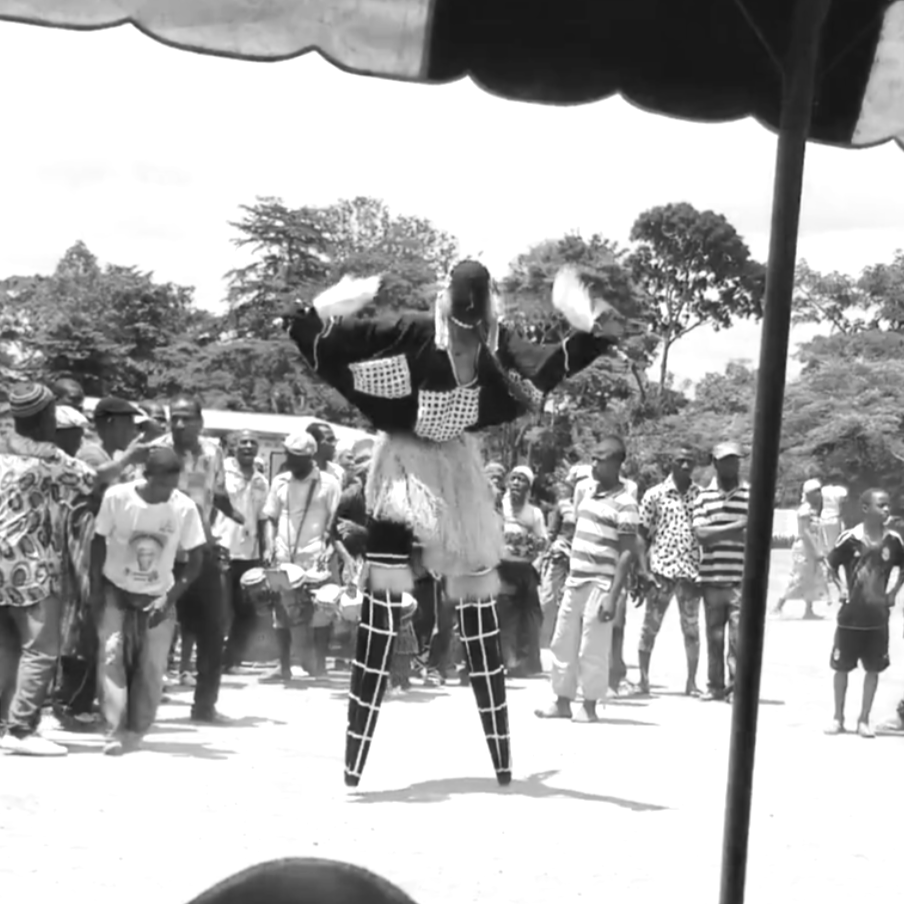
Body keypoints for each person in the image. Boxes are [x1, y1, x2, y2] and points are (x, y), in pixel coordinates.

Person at [284, 259, 629, 786]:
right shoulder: (411, 332)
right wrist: (308, 320)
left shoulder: (497, 349)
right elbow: (339, 345)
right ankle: (356, 762)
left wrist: (592, 338)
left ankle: (501, 762)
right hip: (400, 477)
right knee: (381, 612)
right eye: (464, 305)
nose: (468, 315)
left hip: (458, 483)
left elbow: (544, 367)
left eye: (475, 306)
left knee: (477, 615)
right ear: (450, 300)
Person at [91, 447, 207, 754]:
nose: (166, 493)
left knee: (153, 666)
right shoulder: (117, 498)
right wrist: (95, 588)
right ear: (146, 476)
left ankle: (138, 728)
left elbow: (196, 558)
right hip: (116, 588)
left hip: (159, 594)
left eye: (172, 486)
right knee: (111, 657)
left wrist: (169, 598)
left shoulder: (184, 507)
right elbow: (98, 542)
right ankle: (114, 729)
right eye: (160, 485)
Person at [0, 383, 95, 756]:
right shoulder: (48, 457)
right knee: (41, 648)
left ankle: (5, 723)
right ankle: (22, 729)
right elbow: (89, 480)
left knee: (6, 645)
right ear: (42, 419)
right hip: (29, 564)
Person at [152, 395, 245, 723]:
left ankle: (204, 706)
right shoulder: (155, 452)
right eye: (174, 418)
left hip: (199, 553)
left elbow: (216, 495)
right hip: (159, 556)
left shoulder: (213, 452)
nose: (179, 424)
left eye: (186, 418)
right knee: (150, 628)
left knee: (212, 629)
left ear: (200, 421)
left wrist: (239, 518)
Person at [535, 436, 638, 722]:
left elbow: (628, 553)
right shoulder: (588, 493)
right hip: (576, 579)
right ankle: (562, 700)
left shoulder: (626, 503)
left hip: (601, 583)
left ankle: (590, 704)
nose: (593, 463)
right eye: (592, 458)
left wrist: (613, 596)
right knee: (562, 641)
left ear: (616, 463)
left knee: (592, 647)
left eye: (600, 458)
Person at [262, 432, 341, 682]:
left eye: (295, 456)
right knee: (282, 613)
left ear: (310, 457)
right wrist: (268, 546)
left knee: (321, 611)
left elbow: (336, 525)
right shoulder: (280, 481)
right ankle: (283, 666)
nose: (289, 460)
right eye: (288, 454)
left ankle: (319, 666)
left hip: (315, 557)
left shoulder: (329, 484)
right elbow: (270, 517)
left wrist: (328, 554)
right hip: (283, 556)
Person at [824, 489, 904, 738]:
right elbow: (831, 565)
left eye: (888, 505)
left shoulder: (893, 541)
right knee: (842, 668)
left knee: (873, 670)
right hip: (850, 618)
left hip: (878, 619)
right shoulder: (850, 538)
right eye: (881, 505)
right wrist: (841, 589)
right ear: (866, 508)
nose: (886, 510)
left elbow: (903, 568)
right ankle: (838, 717)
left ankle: (864, 719)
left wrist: (893, 593)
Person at [635, 447, 703, 696]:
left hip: (690, 573)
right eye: (680, 461)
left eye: (690, 461)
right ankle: (643, 679)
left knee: (692, 630)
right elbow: (641, 535)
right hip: (661, 571)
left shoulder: (701, 496)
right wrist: (643, 571)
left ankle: (692, 682)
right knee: (649, 627)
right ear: (671, 464)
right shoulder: (655, 495)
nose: (686, 466)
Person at [692, 442, 750, 703]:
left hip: (741, 578)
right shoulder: (703, 497)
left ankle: (735, 687)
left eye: (735, 460)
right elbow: (701, 535)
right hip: (712, 578)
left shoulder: (751, 495)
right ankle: (714, 685)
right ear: (714, 463)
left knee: (739, 639)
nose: (732, 465)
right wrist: (738, 525)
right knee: (714, 636)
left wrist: (719, 530)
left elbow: (755, 535)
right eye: (726, 460)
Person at [215, 430, 270, 672]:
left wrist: (266, 548)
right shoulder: (221, 473)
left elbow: (263, 518)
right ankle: (211, 659)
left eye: (253, 443)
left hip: (250, 555)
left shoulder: (261, 481)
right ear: (232, 446)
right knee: (218, 609)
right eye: (243, 442)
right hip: (221, 549)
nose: (248, 446)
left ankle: (231, 659)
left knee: (246, 611)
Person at [498, 465, 547, 676]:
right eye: (514, 478)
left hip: (524, 570)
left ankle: (525, 664)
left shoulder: (534, 513)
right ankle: (502, 661)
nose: (516, 483)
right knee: (504, 617)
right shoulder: (498, 507)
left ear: (529, 487)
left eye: (522, 480)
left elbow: (543, 542)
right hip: (500, 569)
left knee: (528, 618)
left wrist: (524, 544)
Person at [774, 478, 829, 619]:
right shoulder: (804, 510)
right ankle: (778, 606)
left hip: (811, 547)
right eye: (815, 492)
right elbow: (804, 532)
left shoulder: (814, 510)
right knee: (798, 578)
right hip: (804, 549)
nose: (819, 495)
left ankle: (809, 610)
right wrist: (816, 550)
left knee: (811, 578)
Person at [538, 475, 577, 648]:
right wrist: (543, 556)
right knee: (549, 595)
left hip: (582, 556)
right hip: (560, 553)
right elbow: (551, 532)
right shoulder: (563, 506)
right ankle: (544, 638)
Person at [306, 422, 346, 487]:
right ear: (314, 443)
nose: (334, 444)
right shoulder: (296, 473)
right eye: (330, 440)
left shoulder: (339, 472)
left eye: (334, 440)